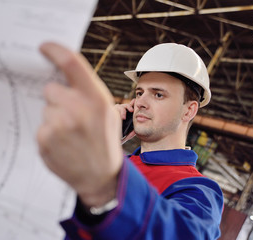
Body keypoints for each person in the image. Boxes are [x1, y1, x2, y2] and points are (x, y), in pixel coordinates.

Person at [37, 42, 224, 239]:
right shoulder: (117, 164)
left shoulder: (198, 190)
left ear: (189, 110)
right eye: (139, 92)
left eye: (158, 94)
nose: (141, 102)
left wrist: (108, 186)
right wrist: (106, 144)